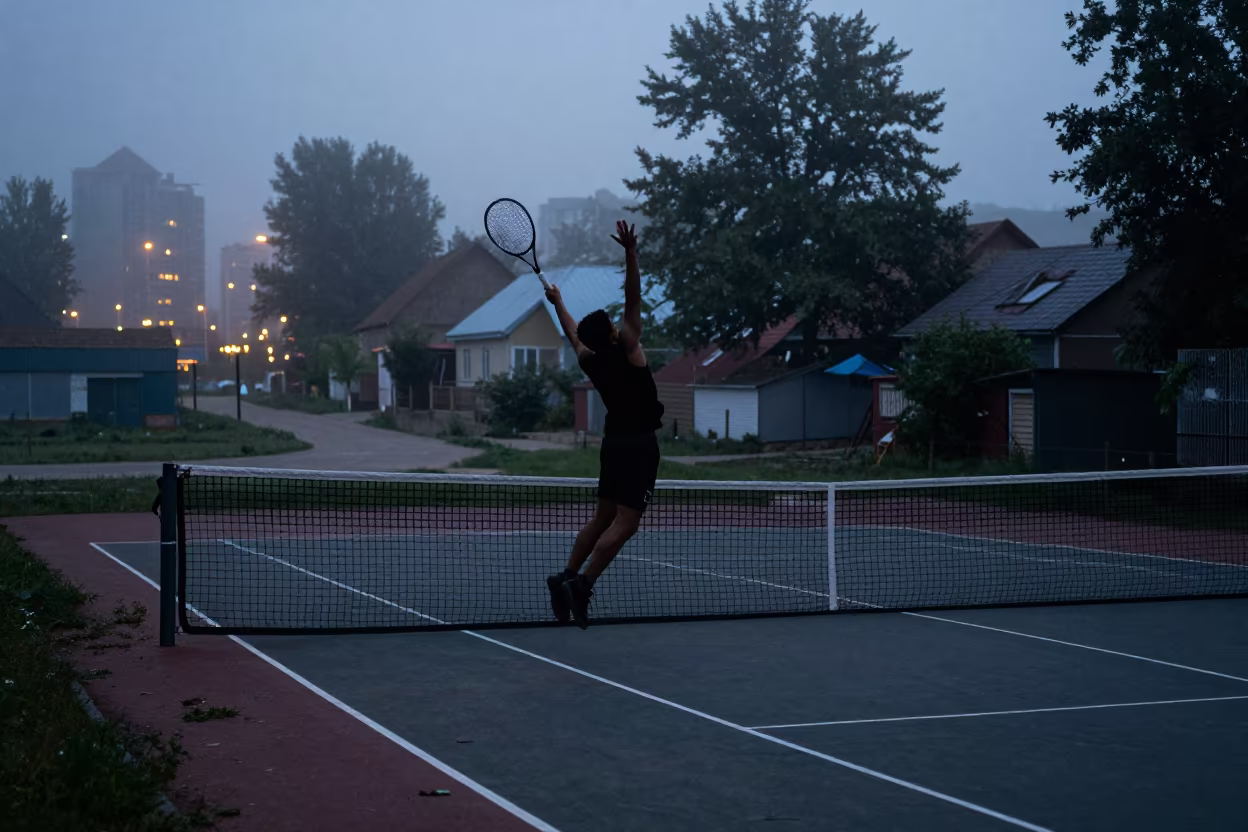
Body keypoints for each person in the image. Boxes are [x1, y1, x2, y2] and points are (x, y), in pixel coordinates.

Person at [544, 220, 664, 629]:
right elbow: (634, 297)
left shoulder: (588, 358)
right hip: (640, 445)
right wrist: (631, 253)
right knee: (627, 523)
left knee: (602, 516)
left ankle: (564, 575)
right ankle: (582, 583)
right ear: (612, 333)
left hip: (612, 444)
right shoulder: (628, 346)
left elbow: (572, 331)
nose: (619, 323)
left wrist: (557, 300)